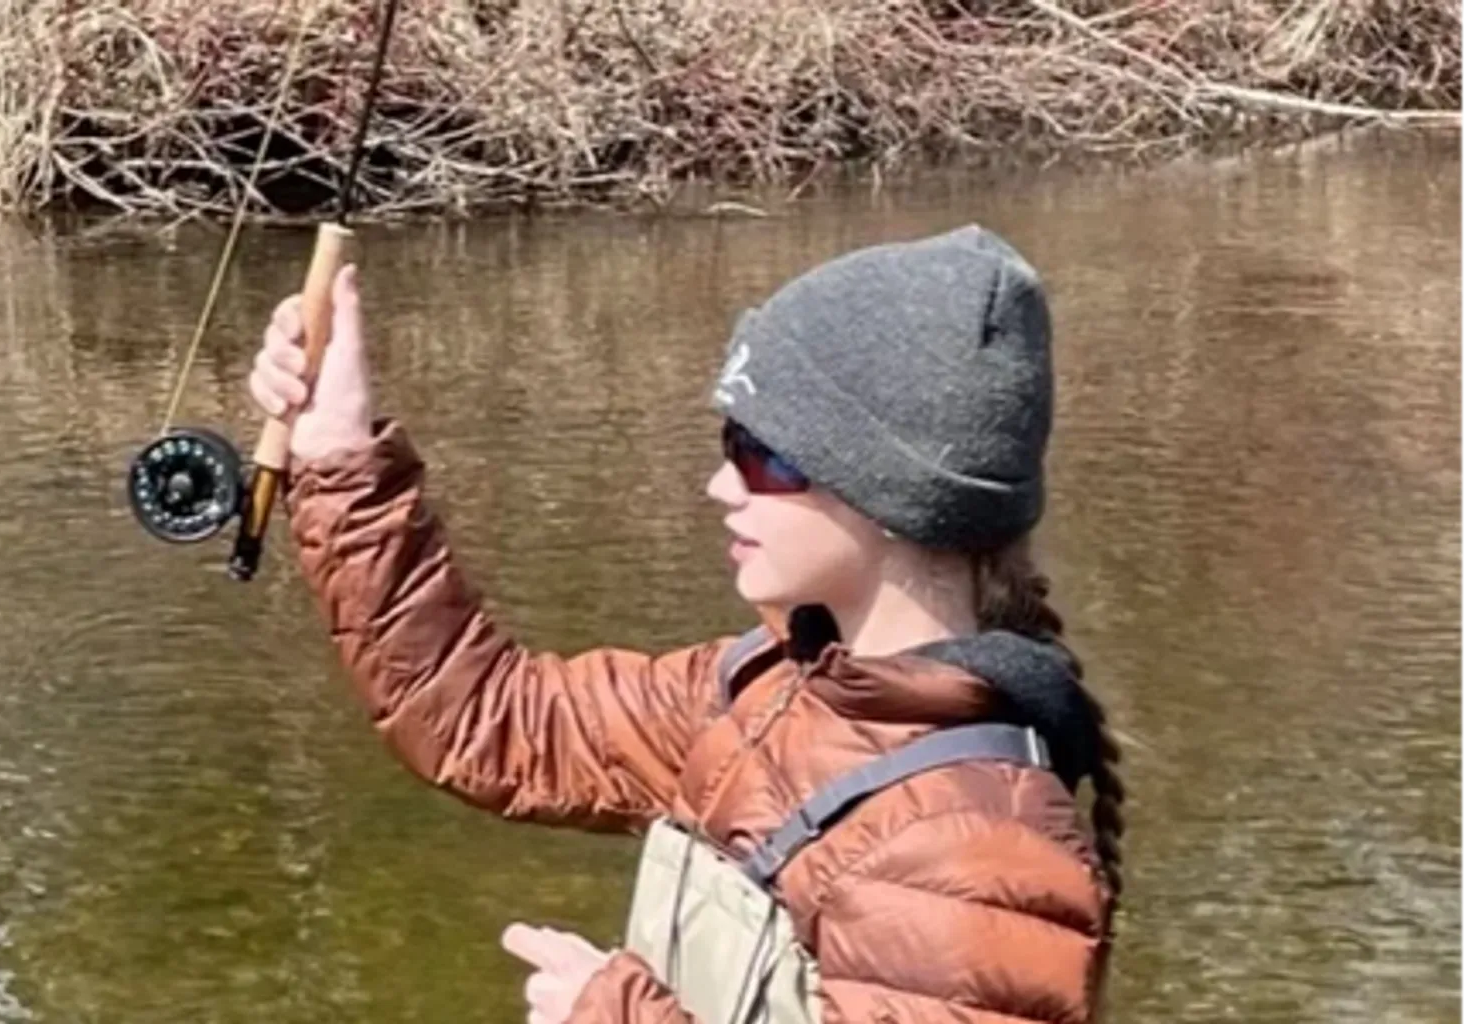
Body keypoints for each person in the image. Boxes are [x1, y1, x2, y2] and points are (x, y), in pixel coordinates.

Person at [245, 224, 1127, 1024]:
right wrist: (337, 450)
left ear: (895, 495)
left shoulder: (982, 855)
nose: (722, 486)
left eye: (765, 456)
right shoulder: (767, 690)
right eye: (730, 444)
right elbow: (490, 718)